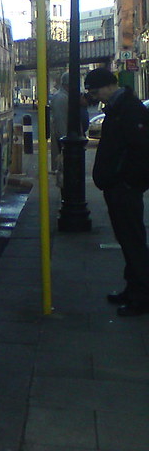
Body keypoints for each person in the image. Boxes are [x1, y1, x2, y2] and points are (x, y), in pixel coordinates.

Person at [84, 67, 149, 316]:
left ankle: (141, 296)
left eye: (96, 90)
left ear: (110, 85)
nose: (95, 95)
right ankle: (132, 289)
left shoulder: (130, 110)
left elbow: (141, 151)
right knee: (127, 239)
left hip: (124, 188)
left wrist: (128, 182)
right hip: (117, 186)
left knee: (133, 241)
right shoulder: (118, 108)